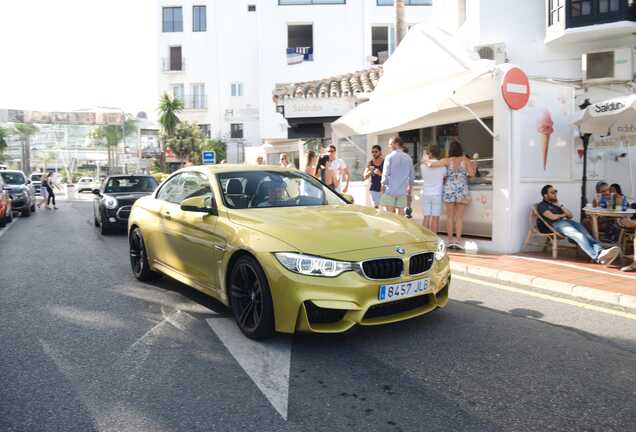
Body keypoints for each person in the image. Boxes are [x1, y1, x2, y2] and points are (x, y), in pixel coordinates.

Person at [538, 185, 620, 265]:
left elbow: (570, 215)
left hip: (567, 222)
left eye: (556, 191)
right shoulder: (542, 205)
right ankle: (597, 256)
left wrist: (560, 206)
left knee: (587, 235)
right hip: (556, 225)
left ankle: (601, 252)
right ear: (545, 195)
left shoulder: (556, 204)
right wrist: (563, 215)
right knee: (579, 235)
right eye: (552, 192)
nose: (555, 193)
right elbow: (552, 217)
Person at [426, 140, 476, 248]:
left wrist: (425, 161)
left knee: (449, 217)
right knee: (459, 218)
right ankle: (458, 241)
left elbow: (431, 165)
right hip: (462, 190)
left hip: (449, 190)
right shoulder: (465, 160)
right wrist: (473, 165)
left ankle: (449, 241)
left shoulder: (447, 160)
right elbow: (472, 174)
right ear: (460, 149)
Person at [380, 136, 414, 216]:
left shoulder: (389, 157)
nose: (389, 146)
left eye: (390, 144)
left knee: (390, 217)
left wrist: (382, 188)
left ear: (397, 144)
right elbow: (412, 176)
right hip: (402, 191)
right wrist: (409, 189)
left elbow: (385, 176)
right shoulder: (408, 158)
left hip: (390, 191)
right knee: (401, 218)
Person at [420, 145, 447, 234]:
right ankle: (434, 240)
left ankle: (425, 239)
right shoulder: (442, 166)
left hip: (426, 193)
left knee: (426, 217)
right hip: (437, 193)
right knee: (435, 218)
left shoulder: (422, 166)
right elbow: (444, 178)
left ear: (430, 153)